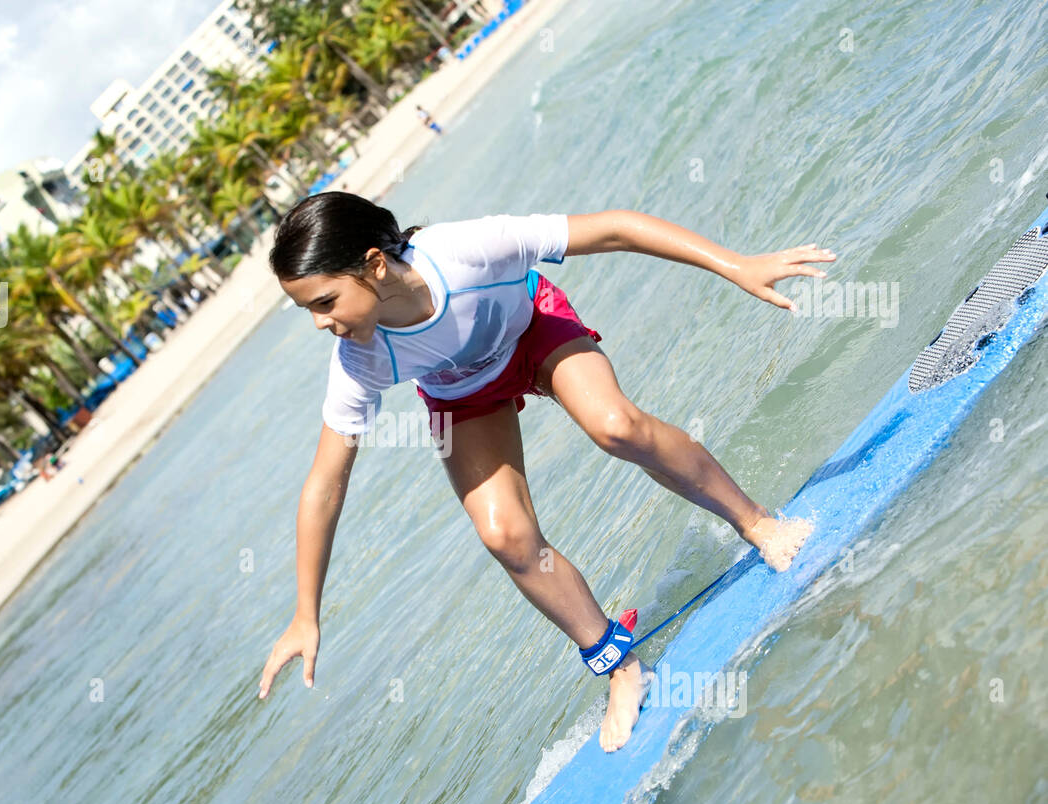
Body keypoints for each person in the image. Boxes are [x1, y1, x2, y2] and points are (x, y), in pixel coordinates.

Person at [258, 192, 831, 751]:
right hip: (464, 393)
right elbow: (325, 484)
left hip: (532, 327)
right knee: (505, 535)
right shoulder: (359, 360)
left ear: (374, 265)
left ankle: (756, 524)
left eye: (324, 301)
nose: (318, 322)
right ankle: (620, 667)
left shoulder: (467, 251)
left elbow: (613, 228)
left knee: (616, 426)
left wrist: (738, 265)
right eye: (308, 308)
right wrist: (305, 612)